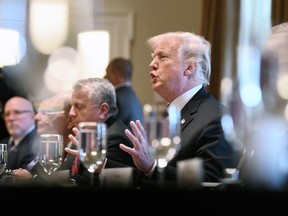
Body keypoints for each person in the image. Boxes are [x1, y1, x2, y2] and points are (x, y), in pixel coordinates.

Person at [118, 31, 238, 184]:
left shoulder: (216, 117)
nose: (152, 64)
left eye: (163, 57)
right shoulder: (166, 115)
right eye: (153, 57)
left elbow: (212, 180)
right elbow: (143, 175)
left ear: (189, 68)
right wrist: (102, 167)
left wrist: (152, 167)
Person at [65, 77, 137, 187]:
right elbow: (66, 170)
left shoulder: (115, 138)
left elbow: (86, 183)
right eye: (71, 107)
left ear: (103, 110)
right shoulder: (86, 133)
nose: (71, 113)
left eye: (78, 106)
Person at [12, 91, 78, 184]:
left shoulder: (81, 150)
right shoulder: (50, 146)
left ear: (71, 119)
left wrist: (33, 179)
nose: (36, 117)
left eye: (47, 113)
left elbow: (72, 180)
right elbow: (31, 174)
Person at [104, 57, 144, 130]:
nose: (105, 77)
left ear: (116, 73)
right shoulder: (133, 97)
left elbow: (109, 128)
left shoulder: (115, 97)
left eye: (107, 72)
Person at [0, 96, 39, 170]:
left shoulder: (39, 145)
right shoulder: (2, 143)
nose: (11, 118)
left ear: (33, 115)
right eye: (7, 114)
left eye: (17, 112)